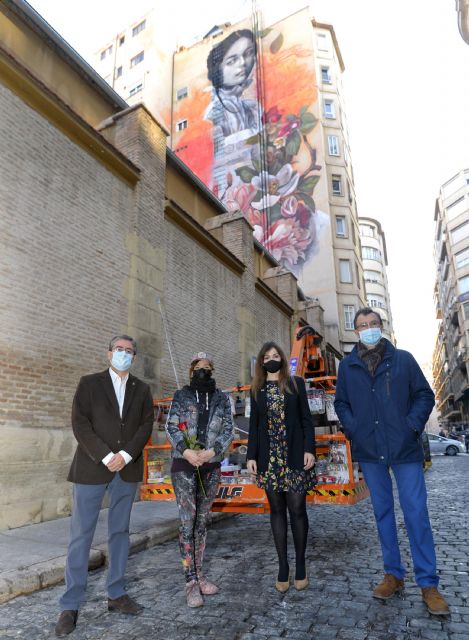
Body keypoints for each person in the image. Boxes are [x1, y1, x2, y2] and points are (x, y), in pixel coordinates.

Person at [334, 308, 449, 616]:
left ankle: (428, 584)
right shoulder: (347, 366)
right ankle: (393, 575)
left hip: (404, 448)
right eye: (362, 325)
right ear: (355, 331)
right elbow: (341, 402)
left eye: (373, 324)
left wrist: (411, 426)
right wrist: (353, 428)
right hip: (370, 451)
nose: (368, 329)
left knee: (416, 514)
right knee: (382, 513)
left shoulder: (404, 360)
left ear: (381, 327)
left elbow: (425, 396)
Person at [55, 335, 154, 637]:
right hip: (91, 468)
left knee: (120, 533)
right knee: (80, 536)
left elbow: (146, 425)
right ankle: (70, 605)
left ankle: (117, 594)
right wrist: (107, 455)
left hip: (126, 471)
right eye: (118, 349)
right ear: (108, 353)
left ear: (133, 357)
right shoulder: (89, 383)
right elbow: (80, 423)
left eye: (129, 351)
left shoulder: (142, 389)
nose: (123, 354)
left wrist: (125, 456)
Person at [165, 352, 234, 608]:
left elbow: (229, 429)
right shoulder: (181, 396)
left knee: (203, 522)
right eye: (198, 367)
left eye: (207, 367)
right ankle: (190, 582)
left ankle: (200, 573)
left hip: (211, 465)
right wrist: (187, 451)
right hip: (185, 463)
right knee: (187, 522)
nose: (203, 370)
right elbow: (171, 426)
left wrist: (212, 452)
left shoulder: (221, 398)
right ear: (191, 371)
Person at [247, 342, 315, 593]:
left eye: (276, 356)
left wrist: (310, 449)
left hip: (296, 455)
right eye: (267, 357)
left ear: (283, 359)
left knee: (297, 509)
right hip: (269, 457)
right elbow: (254, 425)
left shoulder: (296, 383)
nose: (272, 359)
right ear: (261, 362)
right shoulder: (257, 389)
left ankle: (300, 563)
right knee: (277, 510)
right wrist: (251, 456)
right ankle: (283, 566)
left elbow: (307, 421)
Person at [205, 29, 260, 138]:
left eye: (248, 53)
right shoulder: (216, 112)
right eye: (231, 61)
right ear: (217, 72)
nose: (243, 63)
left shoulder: (248, 105)